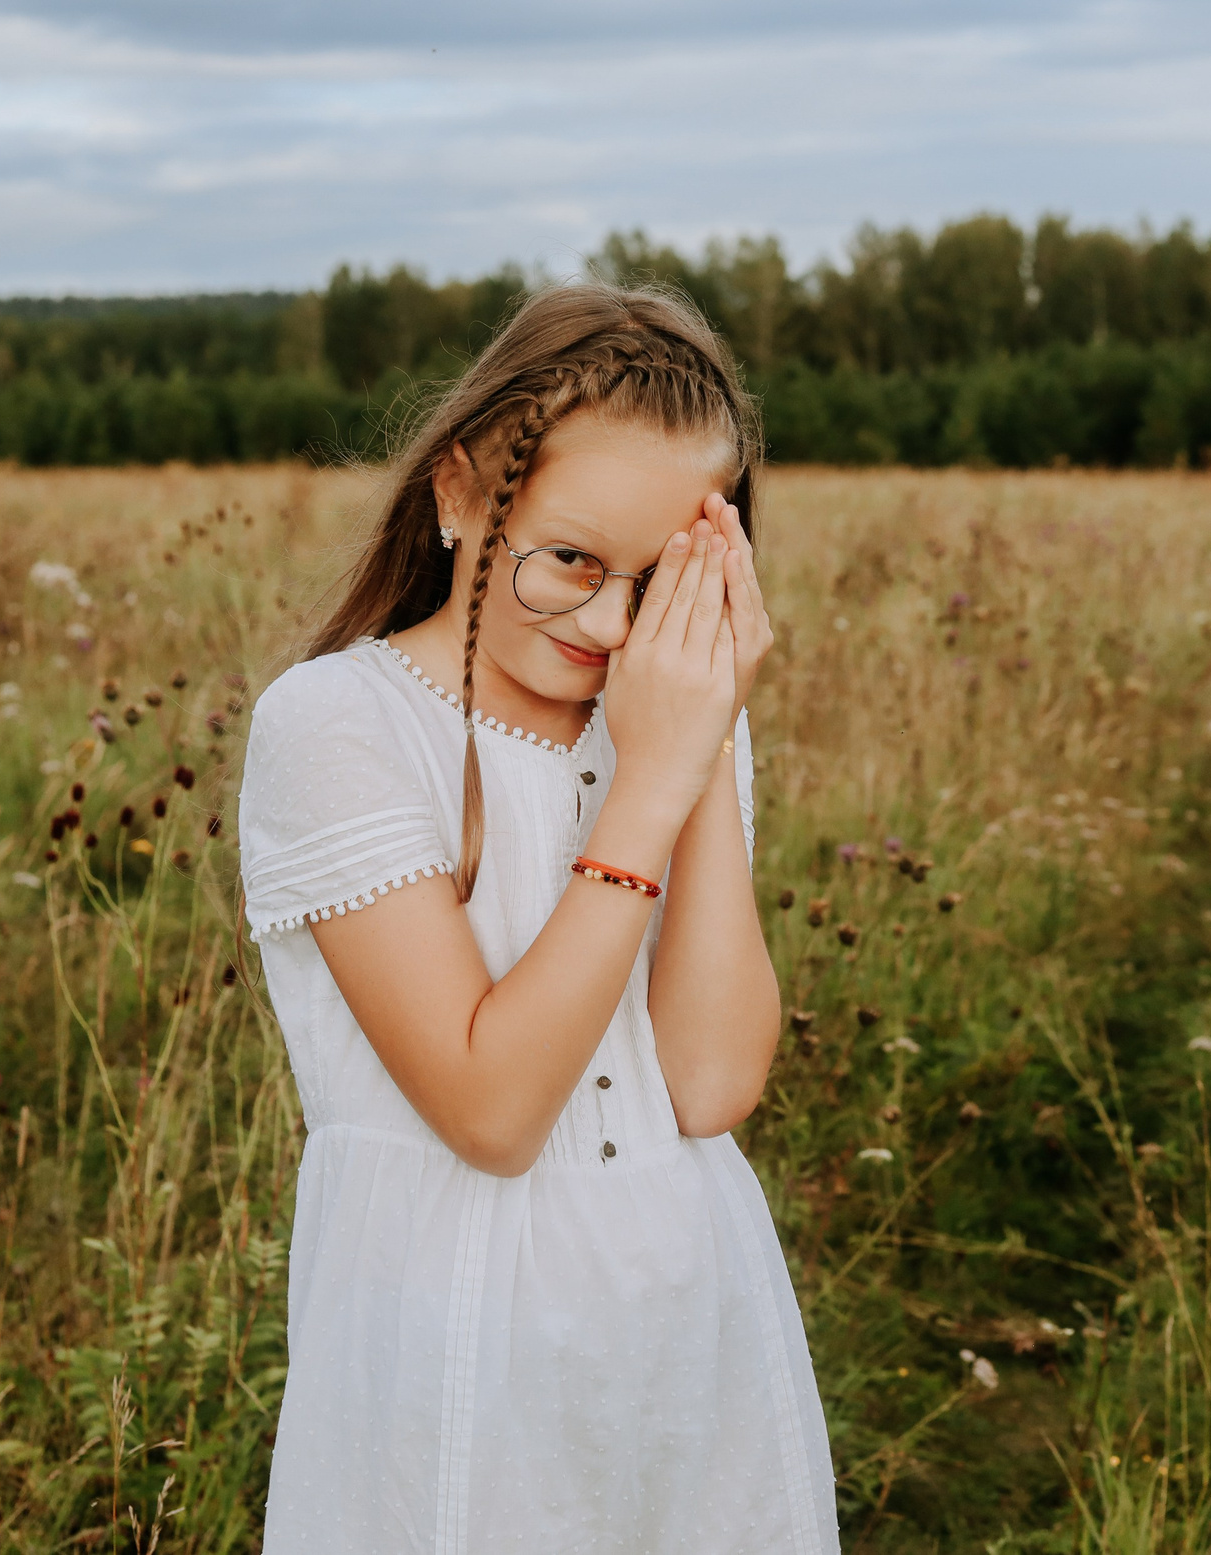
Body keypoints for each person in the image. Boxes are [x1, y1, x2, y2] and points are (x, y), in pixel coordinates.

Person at [235, 283, 839, 1552]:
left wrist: (696, 744)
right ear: (458, 493)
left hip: (692, 1322)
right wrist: (653, 787)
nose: (613, 626)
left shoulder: (666, 717)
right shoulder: (339, 725)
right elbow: (493, 1111)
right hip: (457, 1342)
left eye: (660, 576)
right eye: (570, 561)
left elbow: (714, 1083)